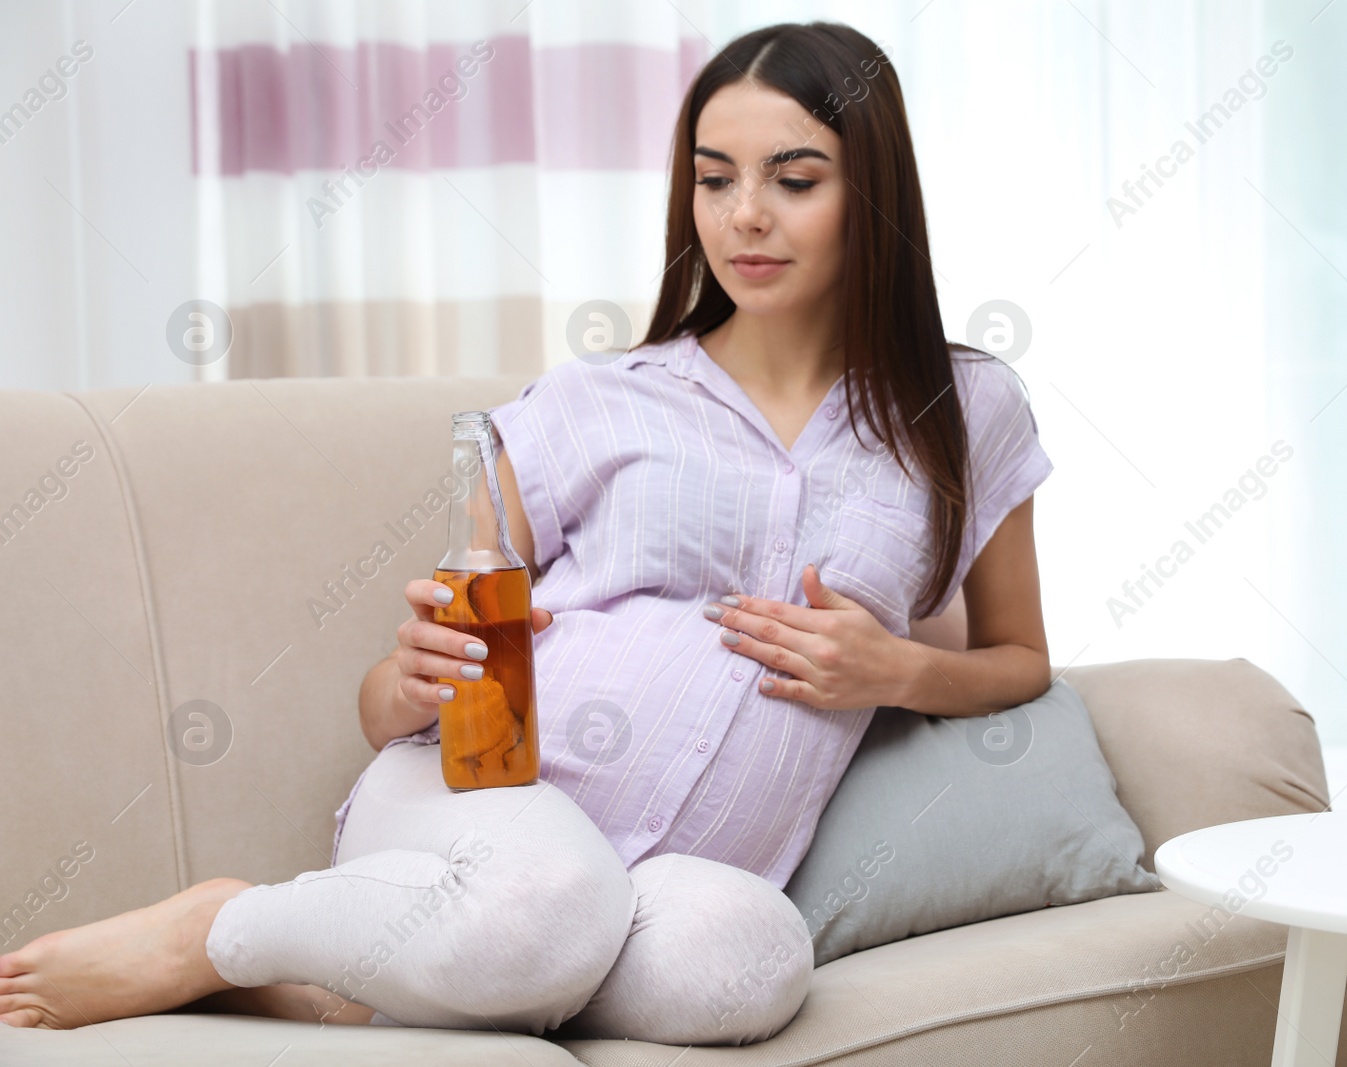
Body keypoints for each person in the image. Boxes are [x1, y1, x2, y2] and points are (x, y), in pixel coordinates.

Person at [0, 20, 1052, 1044]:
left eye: (794, 178)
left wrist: (897, 669)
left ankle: (359, 987)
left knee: (749, 964)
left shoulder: (963, 410)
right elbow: (396, 693)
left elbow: (1020, 660)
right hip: (482, 801)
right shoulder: (596, 400)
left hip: (662, 885)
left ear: (873, 189)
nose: (744, 217)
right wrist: (409, 678)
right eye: (713, 177)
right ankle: (222, 925)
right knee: (550, 899)